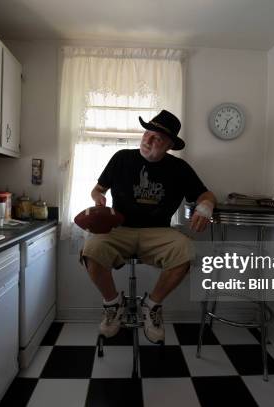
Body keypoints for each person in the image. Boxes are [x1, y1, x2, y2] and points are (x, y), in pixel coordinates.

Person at [80, 109, 216, 344]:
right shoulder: (122, 158)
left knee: (186, 251)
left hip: (159, 231)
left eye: (157, 138)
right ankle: (113, 305)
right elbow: (98, 188)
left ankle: (152, 306)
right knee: (91, 249)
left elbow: (206, 194)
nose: (148, 140)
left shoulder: (179, 168)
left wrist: (205, 208)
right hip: (120, 228)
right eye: (147, 134)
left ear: (169, 145)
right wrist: (97, 197)